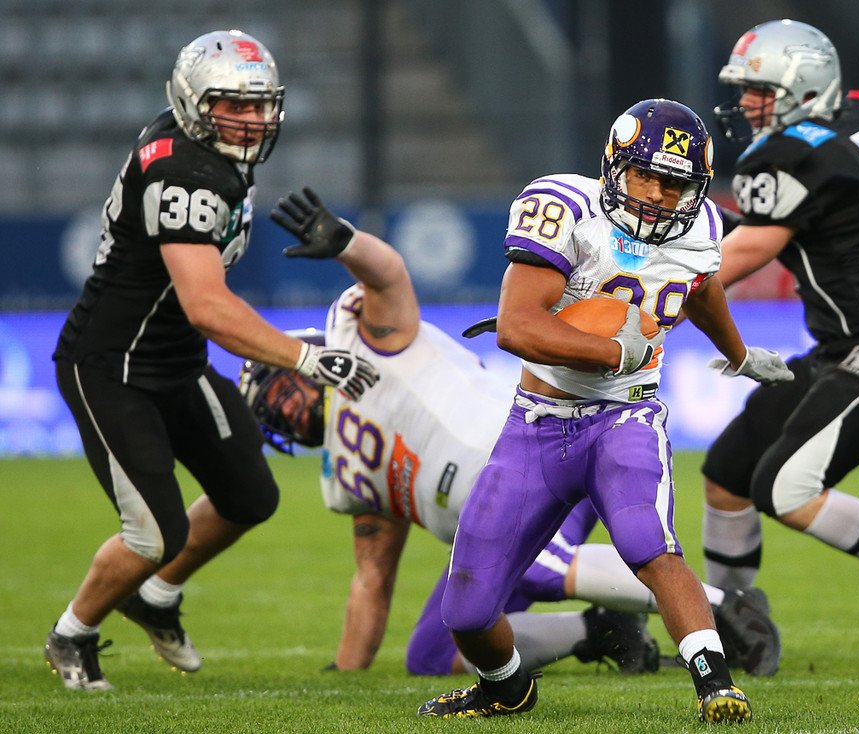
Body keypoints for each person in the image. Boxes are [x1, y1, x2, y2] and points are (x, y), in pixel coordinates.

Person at [235, 189, 782, 679]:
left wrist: (348, 244)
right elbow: (371, 579)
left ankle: (724, 606)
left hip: (537, 451)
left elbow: (388, 274)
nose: (283, 412)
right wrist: (346, 671)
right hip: (483, 518)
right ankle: (597, 631)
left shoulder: (366, 341)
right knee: (435, 652)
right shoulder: (345, 477)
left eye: (278, 393)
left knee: (544, 566)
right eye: (271, 412)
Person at [416, 98, 794, 725]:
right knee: (467, 613)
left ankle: (717, 684)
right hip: (537, 425)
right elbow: (516, 326)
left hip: (625, 417)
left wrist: (739, 353)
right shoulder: (565, 209)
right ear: (614, 166)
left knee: (650, 543)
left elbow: (700, 286)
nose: (659, 195)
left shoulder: (701, 227)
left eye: (675, 183)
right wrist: (614, 351)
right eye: (646, 175)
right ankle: (506, 689)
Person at [45, 30, 379, 691]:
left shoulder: (207, 155)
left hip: (175, 359)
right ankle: (72, 633)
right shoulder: (184, 171)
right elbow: (206, 305)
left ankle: (155, 598)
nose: (252, 120)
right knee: (153, 535)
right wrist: (304, 359)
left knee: (248, 495)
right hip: (111, 366)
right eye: (234, 105)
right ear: (194, 103)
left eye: (260, 105)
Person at [703, 19, 859, 671]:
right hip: (842, 347)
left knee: (785, 488)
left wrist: (648, 293)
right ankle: (729, 620)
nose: (748, 105)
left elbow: (746, 252)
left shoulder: (795, 155)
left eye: (761, 91)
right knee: (727, 474)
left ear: (805, 87)